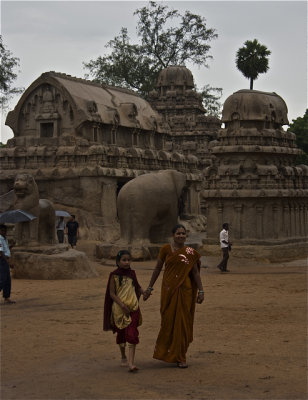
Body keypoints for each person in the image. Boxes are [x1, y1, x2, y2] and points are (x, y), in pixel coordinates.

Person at [143, 224, 204, 368]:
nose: (181, 236)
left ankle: (181, 357)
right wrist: (150, 287)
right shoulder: (165, 249)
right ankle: (167, 353)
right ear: (173, 235)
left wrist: (201, 290)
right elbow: (158, 268)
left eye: (183, 233)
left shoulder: (190, 252)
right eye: (178, 233)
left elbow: (195, 273)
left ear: (186, 236)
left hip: (185, 291)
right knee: (168, 321)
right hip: (168, 290)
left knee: (182, 323)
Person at [103, 250, 144, 372]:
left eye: (128, 260)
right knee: (121, 333)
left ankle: (131, 363)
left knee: (132, 333)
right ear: (118, 262)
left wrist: (144, 292)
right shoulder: (114, 275)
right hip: (120, 310)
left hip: (133, 307)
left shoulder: (132, 274)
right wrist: (122, 305)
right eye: (124, 260)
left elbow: (137, 286)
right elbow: (112, 293)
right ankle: (123, 356)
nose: (127, 262)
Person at [0, 224, 15, 305]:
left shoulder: (4, 239)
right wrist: (8, 262)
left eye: (5, 230)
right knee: (2, 280)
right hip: (2, 260)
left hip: (4, 259)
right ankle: (6, 297)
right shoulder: (0, 238)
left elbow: (5, 249)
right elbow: (1, 252)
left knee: (7, 280)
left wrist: (11, 246)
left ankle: (6, 297)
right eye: (2, 230)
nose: (4, 232)